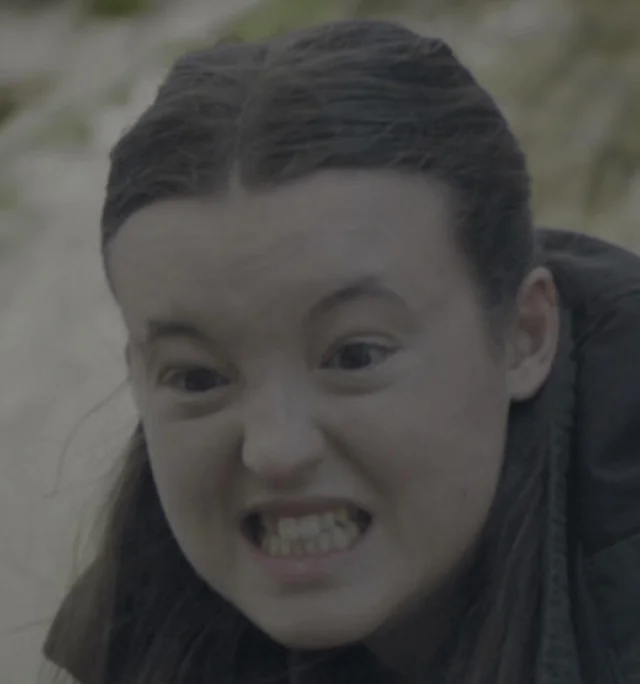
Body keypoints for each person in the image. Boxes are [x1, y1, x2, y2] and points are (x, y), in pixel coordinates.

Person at [43, 19, 640, 684]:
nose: (275, 450)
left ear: (525, 336)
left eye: (354, 356)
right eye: (197, 376)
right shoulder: (150, 633)